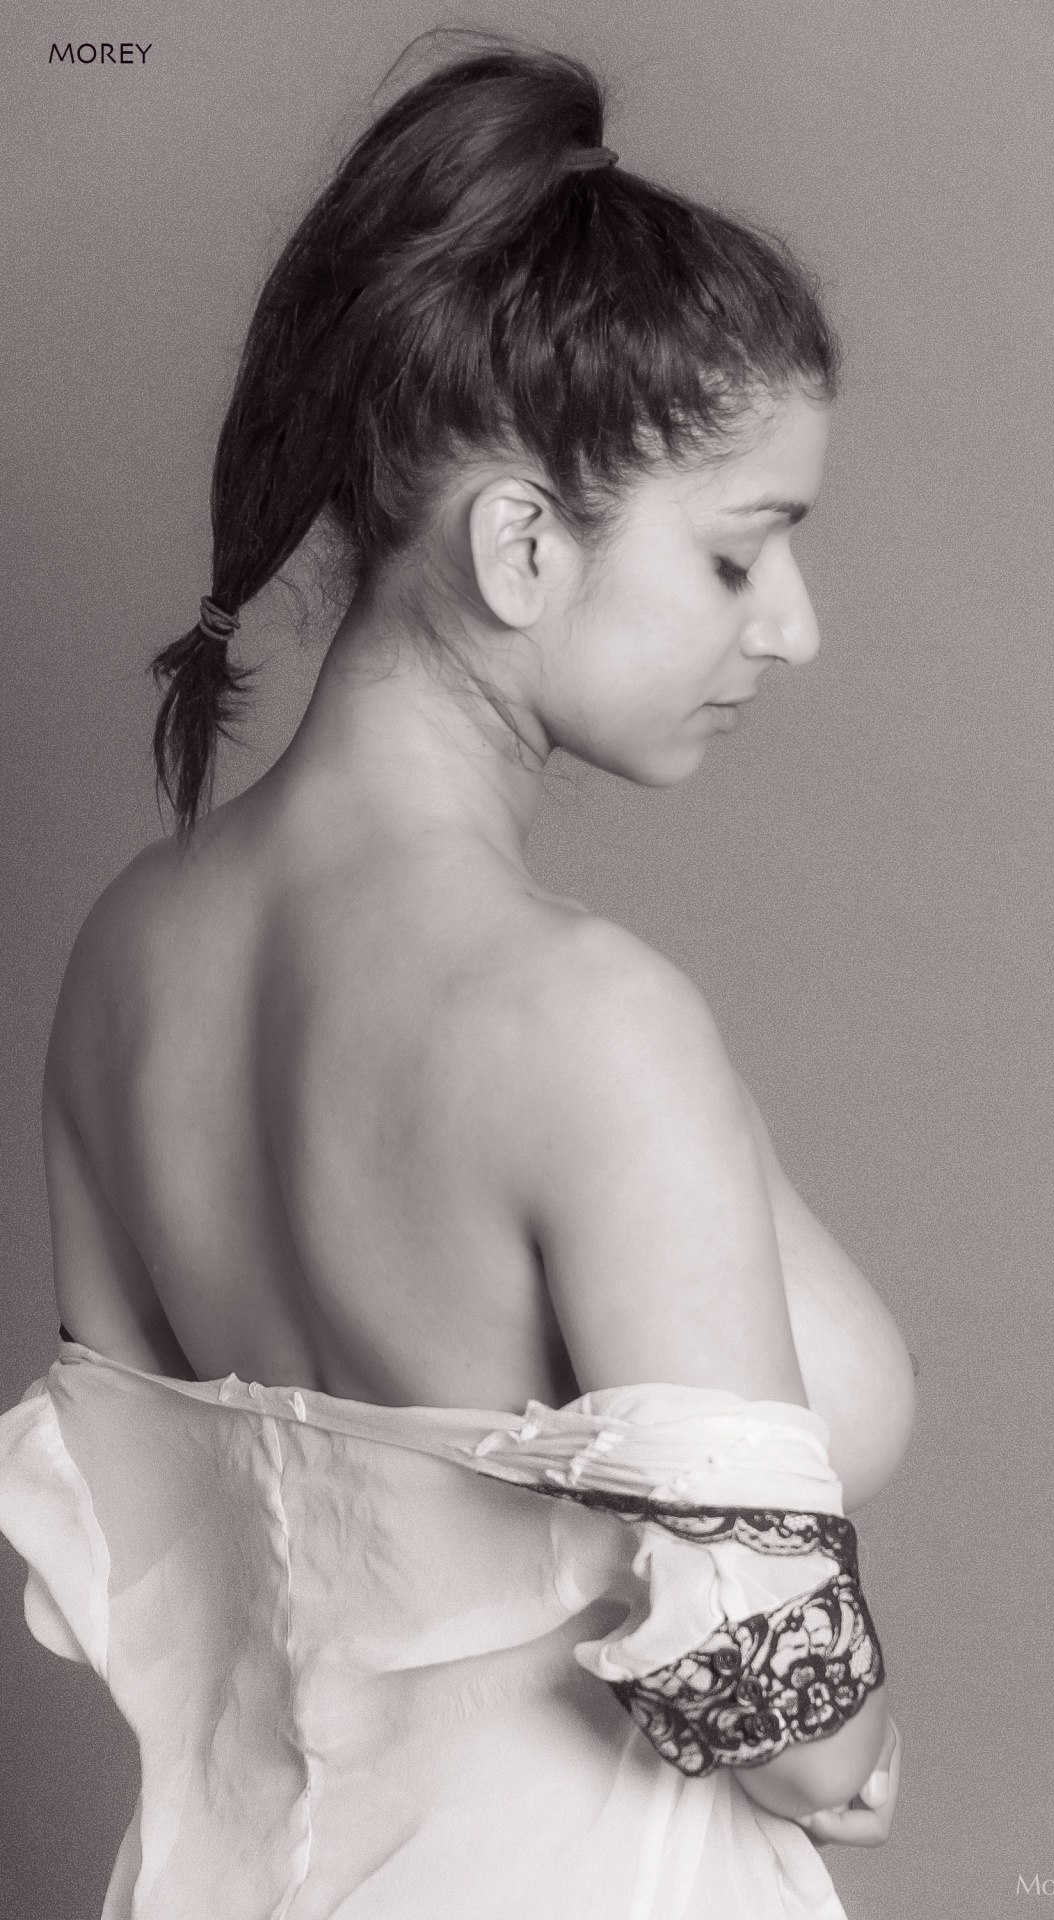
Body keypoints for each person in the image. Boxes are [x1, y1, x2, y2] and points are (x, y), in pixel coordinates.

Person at [0, 35, 916, 1920]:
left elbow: (140, 1556)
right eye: (740, 555)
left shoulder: (126, 954)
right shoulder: (583, 1022)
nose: (794, 628)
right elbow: (792, 1712)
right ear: (520, 542)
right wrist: (848, 1745)